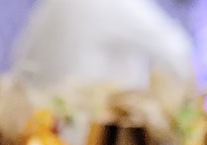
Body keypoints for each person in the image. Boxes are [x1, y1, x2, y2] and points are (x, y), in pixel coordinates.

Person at [11, 0, 194, 89]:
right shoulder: (118, 4)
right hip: (87, 138)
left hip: (39, 133)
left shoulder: (48, 6)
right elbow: (179, 50)